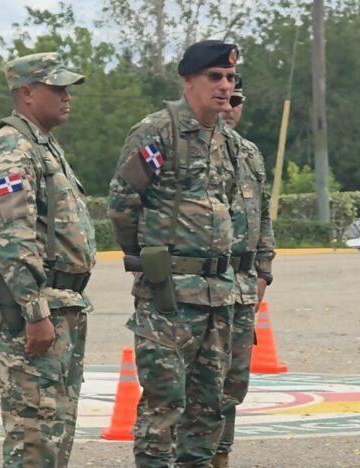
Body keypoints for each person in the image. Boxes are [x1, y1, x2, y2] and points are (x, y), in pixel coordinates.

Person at [107, 39, 240, 467]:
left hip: (218, 296)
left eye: (230, 77)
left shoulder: (225, 138)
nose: (225, 86)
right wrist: (149, 260)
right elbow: (122, 203)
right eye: (214, 77)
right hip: (169, 298)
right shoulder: (157, 132)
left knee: (208, 410)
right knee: (162, 409)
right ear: (189, 82)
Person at [0, 52, 96, 467]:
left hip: (61, 302)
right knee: (34, 438)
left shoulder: (41, 144)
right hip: (38, 305)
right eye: (56, 88)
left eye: (67, 89)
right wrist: (34, 309)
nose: (67, 97)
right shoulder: (12, 148)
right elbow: (12, 234)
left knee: (54, 432)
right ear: (26, 92)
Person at [212, 76, 275, 468]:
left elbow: (262, 216)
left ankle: (221, 456)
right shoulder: (184, 147)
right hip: (199, 286)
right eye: (227, 98)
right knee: (195, 386)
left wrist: (264, 271)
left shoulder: (250, 154)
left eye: (238, 99)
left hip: (243, 286)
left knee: (232, 384)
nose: (232, 107)